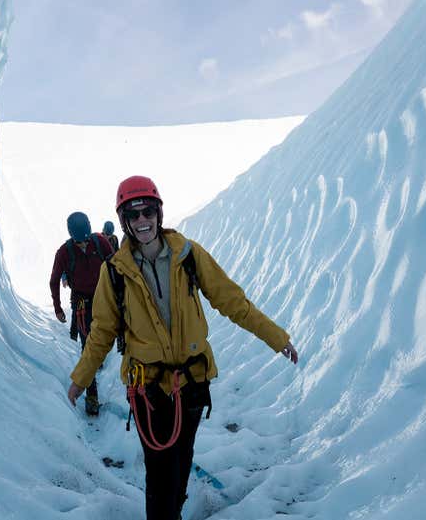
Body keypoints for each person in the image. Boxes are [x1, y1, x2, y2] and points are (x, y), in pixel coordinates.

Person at [67, 176, 298, 520]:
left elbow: (232, 301)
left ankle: (172, 512)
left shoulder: (189, 256)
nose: (142, 220)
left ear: (159, 213)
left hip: (192, 382)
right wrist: (80, 381)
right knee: (160, 470)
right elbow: (101, 332)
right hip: (147, 388)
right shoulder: (114, 273)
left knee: (182, 458)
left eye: (148, 211)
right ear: (124, 222)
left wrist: (276, 337)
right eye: (134, 214)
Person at [51, 211, 113, 416]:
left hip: (104, 297)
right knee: (88, 346)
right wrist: (58, 307)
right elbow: (54, 281)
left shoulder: (100, 242)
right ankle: (92, 396)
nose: (84, 245)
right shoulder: (64, 252)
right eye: (80, 242)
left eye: (86, 241)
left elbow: (116, 266)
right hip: (82, 302)